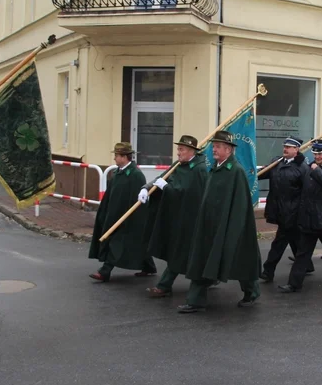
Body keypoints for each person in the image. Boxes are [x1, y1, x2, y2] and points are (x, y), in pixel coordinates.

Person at [177, 131, 261, 313]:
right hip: (209, 225)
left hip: (229, 226)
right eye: (213, 146)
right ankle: (196, 301)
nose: (213, 150)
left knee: (239, 260)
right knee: (203, 259)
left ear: (228, 149)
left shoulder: (235, 171)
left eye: (217, 147)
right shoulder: (215, 168)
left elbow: (240, 205)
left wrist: (234, 229)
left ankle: (251, 291)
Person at [141, 135, 208, 298]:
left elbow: (192, 194)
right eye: (178, 149)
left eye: (181, 149)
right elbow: (162, 178)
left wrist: (169, 189)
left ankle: (165, 286)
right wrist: (145, 187)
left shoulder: (199, 169)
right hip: (177, 217)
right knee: (183, 253)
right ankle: (208, 279)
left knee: (183, 252)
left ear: (192, 151)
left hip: (191, 219)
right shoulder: (179, 165)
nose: (178, 152)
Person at [279, 139, 322, 293]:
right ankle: (294, 283)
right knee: (302, 253)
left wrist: (317, 171)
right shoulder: (310, 167)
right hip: (309, 218)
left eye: (320, 153)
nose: (317, 156)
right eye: (315, 153)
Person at [88, 142, 156, 281]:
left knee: (116, 242)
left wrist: (132, 218)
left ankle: (105, 271)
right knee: (138, 244)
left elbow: (138, 202)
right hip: (113, 214)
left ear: (125, 157)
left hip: (126, 217)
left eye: (117, 156)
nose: (114, 159)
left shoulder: (136, 175)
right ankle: (148, 266)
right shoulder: (117, 173)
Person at [259, 137, 314, 283]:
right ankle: (307, 265)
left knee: (279, 242)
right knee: (295, 239)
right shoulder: (277, 163)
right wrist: (253, 171)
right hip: (279, 208)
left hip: (292, 212)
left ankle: (268, 271)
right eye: (285, 146)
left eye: (289, 147)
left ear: (296, 150)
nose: (285, 149)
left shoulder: (302, 168)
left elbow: (307, 192)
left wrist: (302, 212)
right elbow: (264, 173)